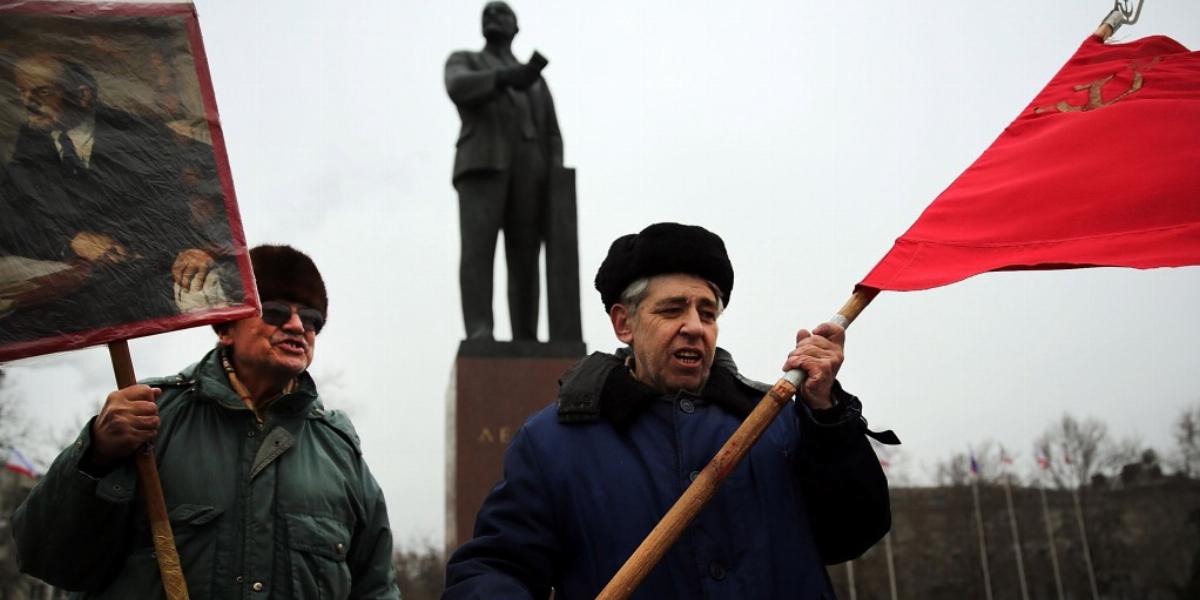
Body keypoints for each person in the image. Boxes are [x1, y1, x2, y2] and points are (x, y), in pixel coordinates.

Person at [443, 223, 897, 599]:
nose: (695, 327)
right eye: (673, 309)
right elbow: (496, 566)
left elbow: (853, 533)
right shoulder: (553, 443)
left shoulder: (780, 423)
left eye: (708, 311)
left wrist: (827, 414)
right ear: (625, 323)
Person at [12, 245, 399, 599]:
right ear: (226, 326)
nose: (298, 326)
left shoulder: (339, 451)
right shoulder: (149, 416)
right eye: (277, 311)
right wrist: (95, 455)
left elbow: (377, 589)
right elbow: (47, 557)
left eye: (312, 319)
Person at [0, 53, 231, 343]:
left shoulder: (139, 136)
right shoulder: (32, 139)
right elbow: (12, 217)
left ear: (82, 96)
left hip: (144, 275)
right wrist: (71, 240)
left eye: (42, 91)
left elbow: (169, 212)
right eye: (22, 92)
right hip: (78, 281)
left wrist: (194, 249)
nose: (28, 102)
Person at [445, 1, 563, 341]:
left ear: (516, 27)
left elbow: (552, 133)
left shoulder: (537, 83)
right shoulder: (465, 60)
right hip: (482, 166)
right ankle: (480, 330)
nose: (492, 16)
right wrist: (508, 77)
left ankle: (526, 335)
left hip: (531, 174)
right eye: (487, 14)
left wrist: (555, 177)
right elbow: (458, 86)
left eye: (502, 13)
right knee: (478, 253)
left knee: (526, 258)